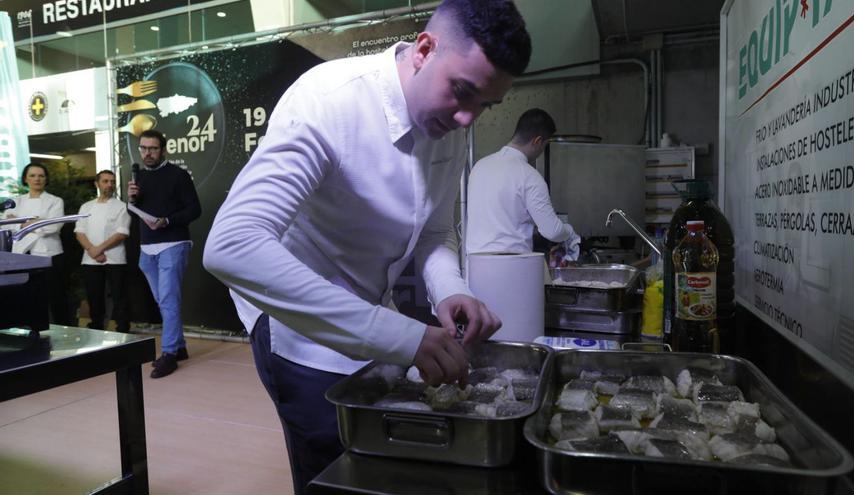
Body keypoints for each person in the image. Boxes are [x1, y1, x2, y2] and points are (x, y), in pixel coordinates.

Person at [203, 0, 530, 491]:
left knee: (384, 471)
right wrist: (403, 336)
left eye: (485, 105)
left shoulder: (451, 126)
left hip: (377, 325)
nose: (468, 118)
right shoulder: (330, 101)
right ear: (424, 49)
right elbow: (232, 245)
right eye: (462, 93)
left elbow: (436, 232)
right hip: (300, 336)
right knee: (334, 473)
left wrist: (449, 289)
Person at [127, 129, 202, 379]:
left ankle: (168, 354)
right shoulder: (138, 179)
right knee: (163, 301)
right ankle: (179, 347)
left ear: (163, 149)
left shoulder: (178, 175)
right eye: (144, 148)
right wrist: (133, 201)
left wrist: (167, 220)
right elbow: (133, 213)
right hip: (146, 247)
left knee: (168, 301)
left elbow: (195, 209)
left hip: (173, 243)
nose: (147, 153)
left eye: (153, 148)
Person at [465, 108, 579, 257]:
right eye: (544, 145)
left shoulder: (479, 166)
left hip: (474, 265)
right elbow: (553, 231)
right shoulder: (529, 176)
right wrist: (569, 232)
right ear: (537, 141)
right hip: (511, 267)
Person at [4, 163, 72, 325]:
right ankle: (30, 330)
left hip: (50, 254)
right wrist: (35, 222)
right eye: (33, 175)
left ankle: (63, 330)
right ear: (25, 179)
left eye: (41, 176)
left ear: (46, 179)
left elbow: (53, 227)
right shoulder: (15, 201)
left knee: (56, 297)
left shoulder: (55, 201)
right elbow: (7, 226)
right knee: (27, 296)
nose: (37, 179)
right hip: (22, 256)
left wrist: (21, 223)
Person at [75, 170, 131, 333]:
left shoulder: (121, 206)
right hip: (90, 259)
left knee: (119, 295)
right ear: (97, 184)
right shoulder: (86, 206)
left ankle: (122, 328)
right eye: (105, 181)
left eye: (112, 181)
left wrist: (98, 249)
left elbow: (122, 233)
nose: (109, 185)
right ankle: (97, 326)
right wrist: (92, 250)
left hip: (115, 258)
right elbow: (79, 231)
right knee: (94, 295)